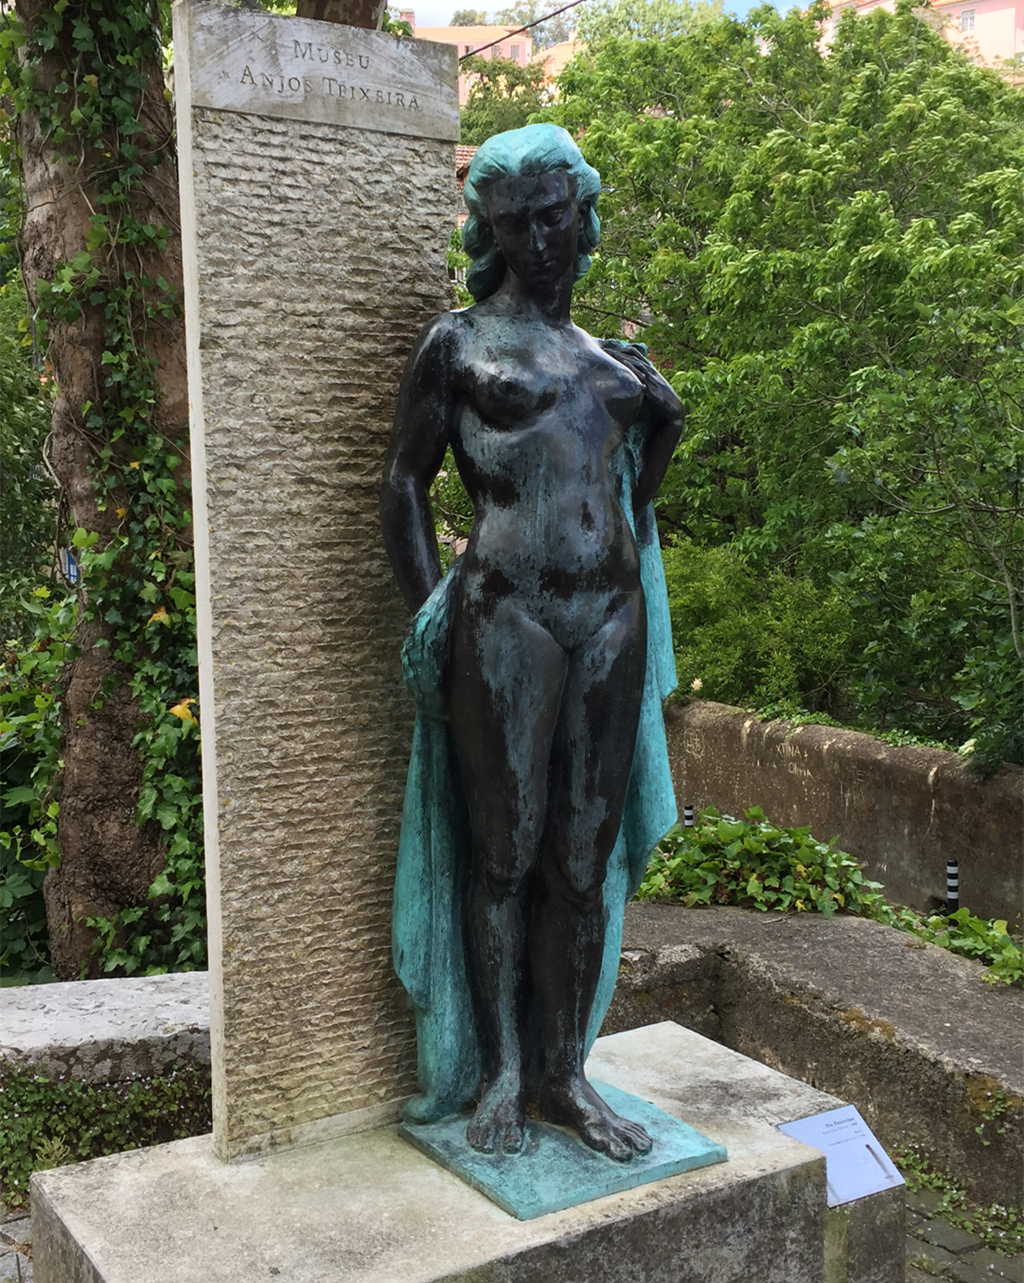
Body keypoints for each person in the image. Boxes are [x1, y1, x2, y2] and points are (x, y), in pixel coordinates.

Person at [380, 124, 683, 1162]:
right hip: (504, 612)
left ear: (581, 212)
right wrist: (430, 606)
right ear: (490, 231)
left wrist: (664, 431)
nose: (540, 240)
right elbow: (401, 483)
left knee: (583, 857)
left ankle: (566, 1072)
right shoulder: (457, 343)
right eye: (516, 223)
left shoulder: (613, 361)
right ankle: (501, 1070)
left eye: (554, 216)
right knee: (504, 851)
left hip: (611, 615)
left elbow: (631, 505)